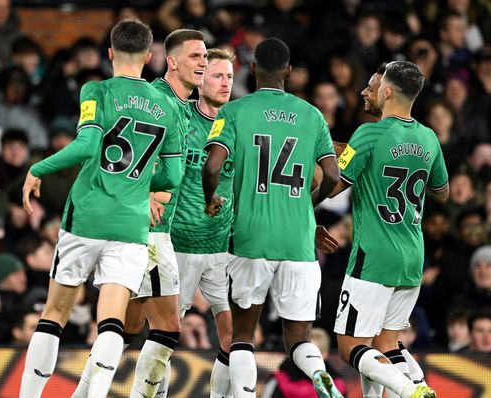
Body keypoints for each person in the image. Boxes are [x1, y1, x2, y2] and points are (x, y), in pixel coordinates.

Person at [19, 20, 183, 398]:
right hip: (131, 225)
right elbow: (172, 176)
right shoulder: (167, 108)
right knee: (111, 321)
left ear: (110, 53)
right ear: (148, 56)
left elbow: (88, 145)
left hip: (86, 216)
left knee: (55, 313)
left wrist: (38, 167)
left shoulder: (97, 90)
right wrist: (139, 183)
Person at [202, 38, 342, 398]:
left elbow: (213, 165)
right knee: (299, 338)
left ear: (252, 69)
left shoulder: (233, 112)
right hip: (298, 242)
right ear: (289, 72)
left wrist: (209, 199)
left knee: (243, 335)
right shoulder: (312, 115)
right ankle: (319, 373)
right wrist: (307, 207)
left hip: (251, 238)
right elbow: (331, 176)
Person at [327, 61, 448, 398]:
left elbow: (335, 186)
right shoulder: (428, 137)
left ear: (388, 91)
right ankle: (420, 385)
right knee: (384, 343)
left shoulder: (370, 133)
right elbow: (442, 191)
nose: (371, 89)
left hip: (374, 254)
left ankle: (409, 389)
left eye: (376, 85)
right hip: (412, 255)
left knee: (350, 346)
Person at [117, 29, 207, 398]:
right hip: (148, 229)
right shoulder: (158, 101)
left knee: (127, 325)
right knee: (167, 327)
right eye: (194, 56)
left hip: (153, 229)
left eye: (205, 56)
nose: (202, 62)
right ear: (171, 61)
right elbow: (121, 157)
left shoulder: (180, 106)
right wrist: (145, 195)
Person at [169, 48, 235, 398]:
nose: (225, 83)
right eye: (217, 76)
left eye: (229, 77)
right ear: (200, 79)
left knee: (233, 337)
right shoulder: (180, 119)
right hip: (179, 244)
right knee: (164, 334)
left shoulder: (238, 124)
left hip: (222, 248)